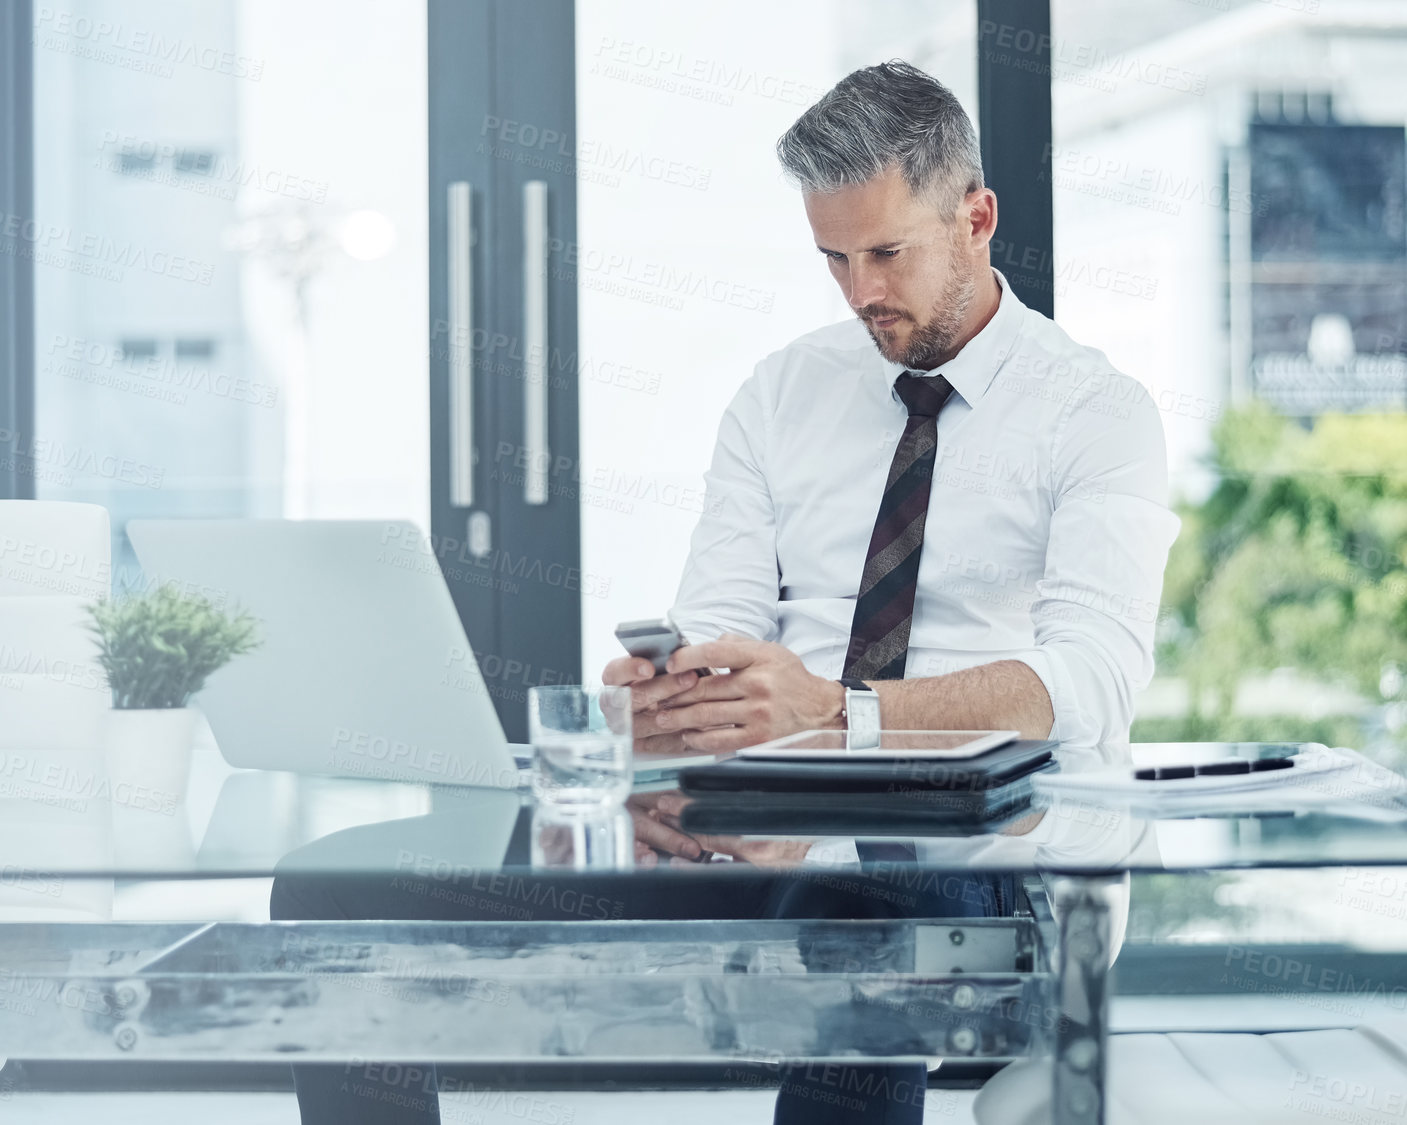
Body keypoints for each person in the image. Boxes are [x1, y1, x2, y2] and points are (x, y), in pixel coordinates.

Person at [282, 59, 1175, 1124]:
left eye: (886, 252)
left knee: (859, 917)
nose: (861, 293)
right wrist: (668, 717)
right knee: (343, 891)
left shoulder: (1093, 412)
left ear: (975, 218)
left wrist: (840, 718)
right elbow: (724, 625)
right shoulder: (783, 393)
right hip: (765, 817)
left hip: (989, 850)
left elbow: (1091, 679)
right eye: (832, 258)